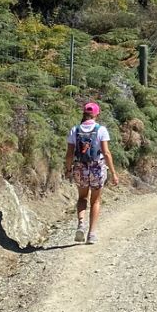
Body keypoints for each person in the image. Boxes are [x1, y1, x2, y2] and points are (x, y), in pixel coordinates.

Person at [64, 101, 119, 244]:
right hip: (97, 168)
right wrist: (113, 173)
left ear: (84, 113)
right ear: (96, 114)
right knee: (95, 200)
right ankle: (91, 234)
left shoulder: (74, 130)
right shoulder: (101, 130)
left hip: (80, 168)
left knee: (82, 198)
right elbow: (106, 153)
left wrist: (68, 169)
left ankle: (81, 223)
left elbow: (69, 154)